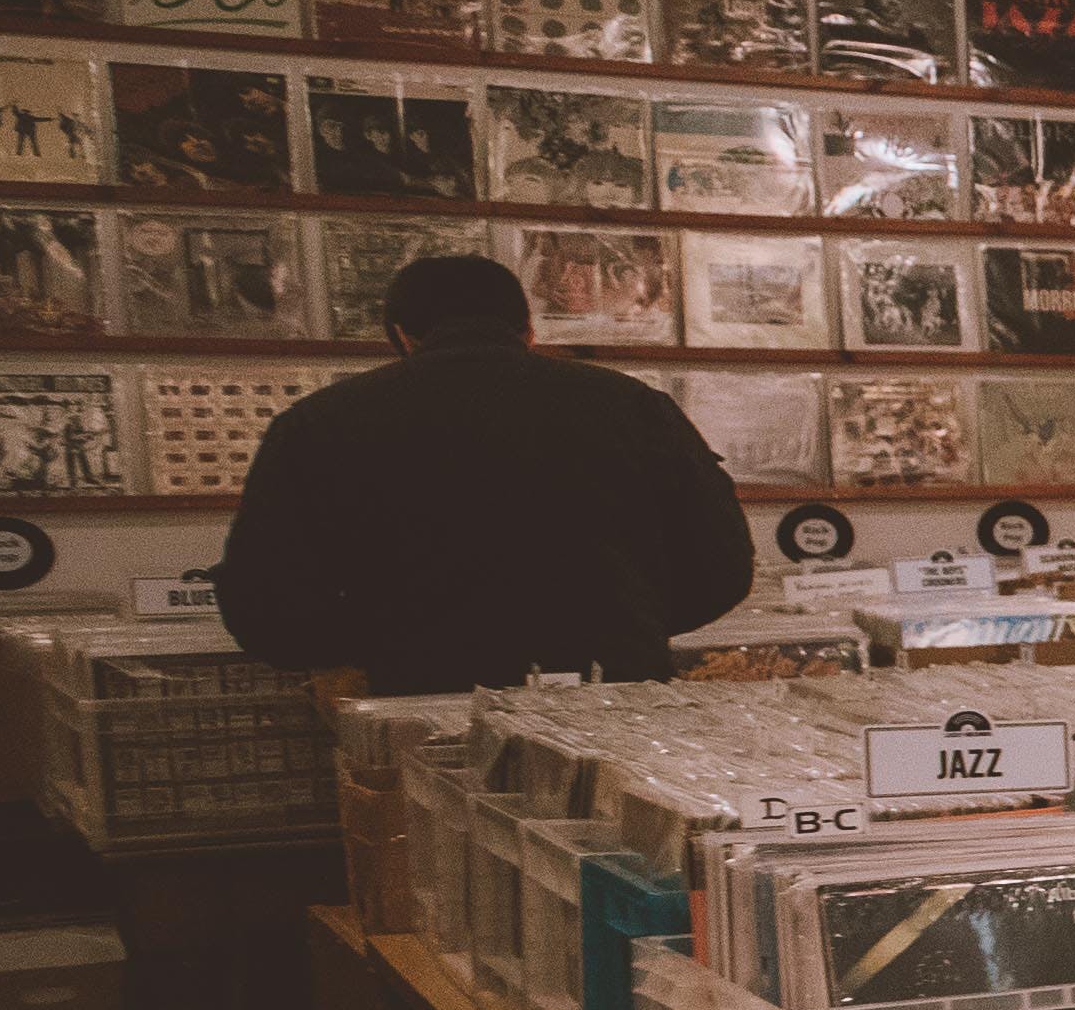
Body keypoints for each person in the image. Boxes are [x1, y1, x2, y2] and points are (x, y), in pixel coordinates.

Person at [215, 245, 751, 690]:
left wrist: (363, 646)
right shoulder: (632, 406)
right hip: (610, 689)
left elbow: (264, 600)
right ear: (529, 330)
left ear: (402, 336)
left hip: (413, 693)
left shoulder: (319, 423)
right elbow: (722, 564)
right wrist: (631, 625)